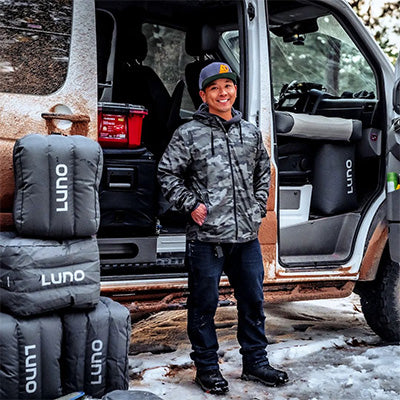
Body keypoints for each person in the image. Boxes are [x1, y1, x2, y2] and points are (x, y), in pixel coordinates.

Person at [158, 62, 288, 394]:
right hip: (206, 238)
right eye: (214, 88)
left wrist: (258, 205)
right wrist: (191, 204)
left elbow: (264, 170)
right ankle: (207, 368)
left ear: (234, 90)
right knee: (204, 303)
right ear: (203, 95)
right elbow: (166, 174)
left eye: (228, 86)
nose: (223, 93)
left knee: (253, 301)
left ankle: (256, 363)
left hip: (246, 236)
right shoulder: (189, 133)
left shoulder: (250, 131)